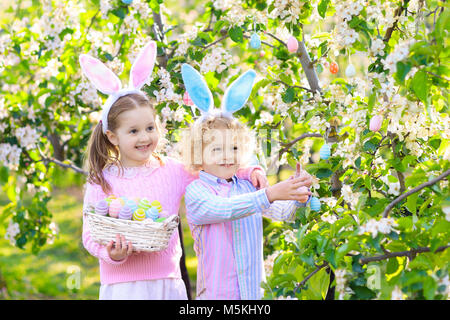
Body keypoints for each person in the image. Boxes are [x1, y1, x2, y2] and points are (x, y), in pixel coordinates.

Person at [79, 41, 268, 300]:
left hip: (169, 283)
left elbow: (215, 168)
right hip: (122, 287)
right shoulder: (102, 179)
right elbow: (89, 234)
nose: (144, 137)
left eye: (150, 128)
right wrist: (111, 254)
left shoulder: (171, 170)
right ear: (112, 136)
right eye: (133, 131)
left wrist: (250, 170)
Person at [179, 64, 313, 300]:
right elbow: (226, 209)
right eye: (217, 148)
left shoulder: (247, 185)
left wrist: (299, 195)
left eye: (233, 147)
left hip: (253, 294)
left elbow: (284, 213)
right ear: (198, 153)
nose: (227, 155)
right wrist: (269, 194)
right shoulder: (197, 192)